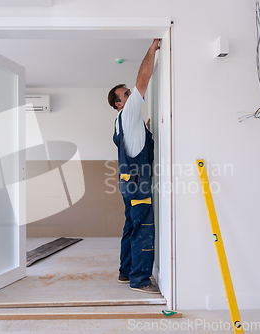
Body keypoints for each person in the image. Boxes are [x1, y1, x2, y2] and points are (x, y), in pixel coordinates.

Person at [107, 39, 160, 294]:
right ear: (119, 104)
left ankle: (125, 273)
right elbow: (143, 80)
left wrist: (145, 131)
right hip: (138, 185)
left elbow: (133, 146)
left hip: (129, 184)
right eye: (126, 94)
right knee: (142, 230)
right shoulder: (127, 113)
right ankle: (140, 279)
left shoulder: (123, 122)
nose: (131, 95)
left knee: (131, 227)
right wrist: (151, 51)